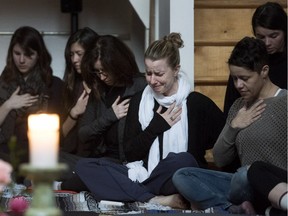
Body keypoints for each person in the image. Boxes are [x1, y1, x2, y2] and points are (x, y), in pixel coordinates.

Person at [61, 32, 225, 209]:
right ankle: (153, 198)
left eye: (159, 74)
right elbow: (130, 154)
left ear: (176, 69)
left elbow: (220, 147)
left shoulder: (196, 103)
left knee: (182, 161)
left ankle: (135, 192)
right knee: (86, 166)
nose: (152, 80)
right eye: (148, 73)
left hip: (176, 176)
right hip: (145, 174)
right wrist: (155, 127)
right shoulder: (140, 100)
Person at [172, 37, 287, 214]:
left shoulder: (285, 102)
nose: (238, 85)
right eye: (234, 79)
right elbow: (219, 159)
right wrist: (234, 126)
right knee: (183, 176)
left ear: (264, 71)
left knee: (245, 173)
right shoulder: (238, 106)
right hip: (242, 188)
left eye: (244, 78)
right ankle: (235, 209)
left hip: (275, 185)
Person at [56, 34, 147, 182]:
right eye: (97, 71)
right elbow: (83, 134)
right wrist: (110, 116)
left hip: (127, 164)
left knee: (92, 172)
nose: (102, 77)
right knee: (49, 158)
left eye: (105, 71)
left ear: (117, 65)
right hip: (100, 161)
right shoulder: (99, 89)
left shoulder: (140, 86)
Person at [0, 26, 64, 170]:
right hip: (5, 155)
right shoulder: (3, 84)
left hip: (39, 156)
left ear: (39, 55)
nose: (21, 60)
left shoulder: (54, 85)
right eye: (17, 53)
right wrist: (8, 105)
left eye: (29, 54)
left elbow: (59, 131)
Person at [224, 2, 287, 118]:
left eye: (274, 36)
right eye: (261, 37)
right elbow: (230, 109)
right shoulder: (247, 60)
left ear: (285, 32)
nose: (267, 43)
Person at [60, 27, 99, 154]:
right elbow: (60, 135)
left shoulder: (104, 84)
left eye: (79, 54)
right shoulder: (72, 85)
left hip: (97, 158)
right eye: (71, 54)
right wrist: (75, 112)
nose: (74, 60)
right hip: (70, 156)